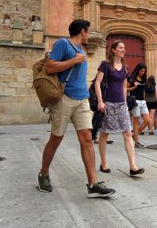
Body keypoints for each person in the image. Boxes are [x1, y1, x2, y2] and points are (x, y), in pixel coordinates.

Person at [38, 19, 115, 198]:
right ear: (82, 31)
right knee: (56, 138)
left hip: (82, 100)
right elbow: (50, 67)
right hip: (64, 99)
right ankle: (43, 173)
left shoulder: (81, 50)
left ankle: (93, 183)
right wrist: (74, 60)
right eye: (88, 31)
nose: (88, 34)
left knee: (87, 138)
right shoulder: (63, 44)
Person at [95, 40, 145, 175]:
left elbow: (124, 86)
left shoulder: (124, 67)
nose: (123, 49)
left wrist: (124, 102)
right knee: (104, 133)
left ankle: (133, 166)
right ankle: (104, 163)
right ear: (113, 50)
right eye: (120, 47)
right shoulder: (105, 65)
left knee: (128, 133)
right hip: (108, 104)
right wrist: (100, 101)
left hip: (121, 104)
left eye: (124, 47)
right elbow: (97, 83)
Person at [127, 63, 150, 148]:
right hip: (134, 101)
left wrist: (144, 100)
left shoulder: (144, 79)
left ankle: (135, 135)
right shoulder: (131, 79)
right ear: (138, 70)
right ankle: (137, 142)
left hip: (142, 101)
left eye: (144, 71)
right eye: (141, 71)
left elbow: (143, 91)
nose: (143, 72)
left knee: (147, 120)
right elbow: (124, 89)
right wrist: (133, 88)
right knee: (136, 122)